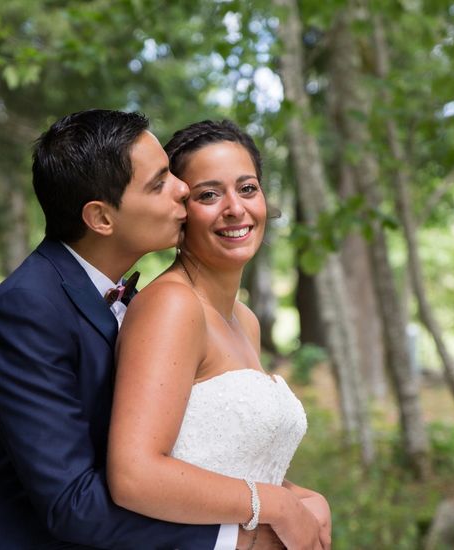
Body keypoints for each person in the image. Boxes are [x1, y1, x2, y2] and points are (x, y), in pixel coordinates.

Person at [0, 110, 303, 549]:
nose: (182, 189)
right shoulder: (28, 309)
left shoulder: (121, 295)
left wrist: (290, 496)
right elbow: (72, 503)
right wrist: (243, 536)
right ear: (101, 219)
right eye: (160, 182)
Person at [107, 120, 332, 549]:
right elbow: (135, 473)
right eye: (208, 195)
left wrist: (300, 496)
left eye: (247, 188)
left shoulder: (244, 319)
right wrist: (278, 505)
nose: (235, 208)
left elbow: (222, 460)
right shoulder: (171, 307)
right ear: (180, 208)